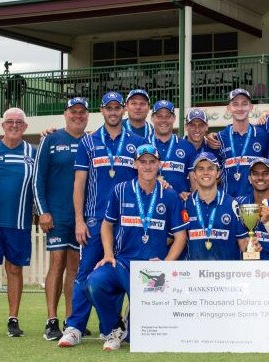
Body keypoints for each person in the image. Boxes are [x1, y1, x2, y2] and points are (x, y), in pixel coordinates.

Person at [58, 91, 145, 347]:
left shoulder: (137, 142)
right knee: (85, 273)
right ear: (102, 111)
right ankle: (74, 327)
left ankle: (111, 329)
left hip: (126, 223)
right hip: (95, 220)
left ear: (124, 110)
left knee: (116, 274)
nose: (114, 112)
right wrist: (79, 220)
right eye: (109, 108)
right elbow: (79, 183)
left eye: (118, 107)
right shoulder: (89, 141)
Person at [86, 144, 188, 351]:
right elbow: (106, 225)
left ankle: (131, 324)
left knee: (140, 338)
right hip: (122, 262)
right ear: (135, 164)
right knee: (93, 283)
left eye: (152, 162)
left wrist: (166, 266)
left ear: (160, 165)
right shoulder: (121, 190)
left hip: (152, 269)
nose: (148, 166)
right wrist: (107, 253)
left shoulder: (169, 196)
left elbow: (180, 237)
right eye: (143, 162)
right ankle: (115, 326)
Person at [33, 97, 89, 341]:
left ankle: (71, 320)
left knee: (75, 269)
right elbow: (38, 179)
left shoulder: (91, 140)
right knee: (57, 264)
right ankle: (51, 320)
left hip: (81, 218)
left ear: (87, 115)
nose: (78, 115)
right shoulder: (51, 139)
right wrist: (43, 211)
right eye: (73, 111)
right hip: (56, 215)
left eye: (82, 112)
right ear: (65, 114)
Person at [0, 107, 36, 337]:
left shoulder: (33, 152)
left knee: (14, 269)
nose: (14, 125)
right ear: (3, 125)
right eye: (10, 121)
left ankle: (13, 319)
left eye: (19, 122)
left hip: (19, 223)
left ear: (25, 127)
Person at [185, 152, 251, 260]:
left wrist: (251, 247)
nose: (205, 172)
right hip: (194, 274)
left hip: (226, 274)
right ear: (195, 175)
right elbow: (176, 238)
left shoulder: (232, 204)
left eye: (210, 168)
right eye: (200, 169)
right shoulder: (186, 204)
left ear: (218, 173)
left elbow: (243, 242)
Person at [215, 88, 268, 197]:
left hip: (255, 202)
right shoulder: (220, 137)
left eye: (244, 104)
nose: (240, 108)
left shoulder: (262, 135)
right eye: (235, 104)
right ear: (229, 108)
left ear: (251, 107)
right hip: (227, 202)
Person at [150, 100, 197, 198]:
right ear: (152, 118)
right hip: (149, 204)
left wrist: (193, 198)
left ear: (174, 118)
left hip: (179, 204)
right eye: (159, 116)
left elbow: (194, 182)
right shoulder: (143, 144)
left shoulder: (187, 146)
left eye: (168, 116)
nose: (164, 120)